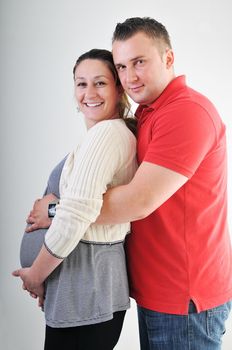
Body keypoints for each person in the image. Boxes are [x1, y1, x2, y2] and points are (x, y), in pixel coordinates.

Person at [94, 17, 231, 349]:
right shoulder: (151, 111)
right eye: (121, 66)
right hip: (161, 293)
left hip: (182, 300)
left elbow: (138, 202)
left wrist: (56, 211)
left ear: (168, 58)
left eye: (139, 62)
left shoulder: (185, 112)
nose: (129, 77)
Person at [13, 48, 137, 350]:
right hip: (79, 287)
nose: (89, 92)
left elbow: (78, 212)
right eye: (81, 83)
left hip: (87, 288)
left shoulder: (107, 134)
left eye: (100, 83)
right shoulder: (103, 135)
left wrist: (35, 275)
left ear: (119, 88)